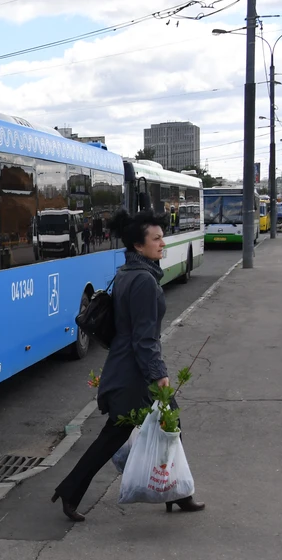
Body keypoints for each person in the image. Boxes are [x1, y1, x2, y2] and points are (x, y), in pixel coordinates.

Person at [51, 209, 205, 522]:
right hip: (135, 374)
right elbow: (144, 339)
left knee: (159, 425)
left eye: (162, 236)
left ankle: (177, 493)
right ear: (139, 245)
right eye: (157, 238)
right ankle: (72, 490)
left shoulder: (127, 273)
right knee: (136, 430)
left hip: (124, 367)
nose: (163, 242)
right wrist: (159, 376)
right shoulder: (145, 282)